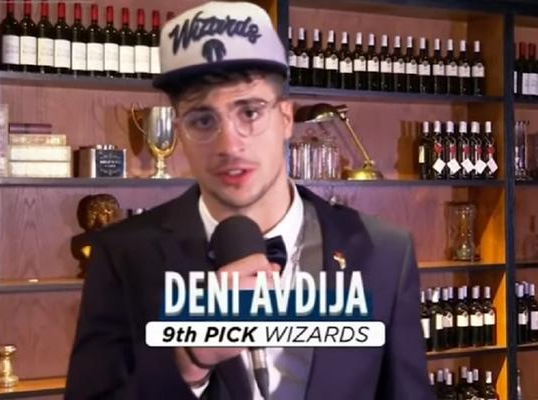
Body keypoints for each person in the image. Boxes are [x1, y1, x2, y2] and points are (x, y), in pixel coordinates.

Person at [64, 2, 434, 399]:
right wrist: (188, 363)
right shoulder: (122, 256)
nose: (229, 144)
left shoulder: (384, 253)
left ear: (286, 118)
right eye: (203, 119)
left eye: (251, 112)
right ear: (180, 131)